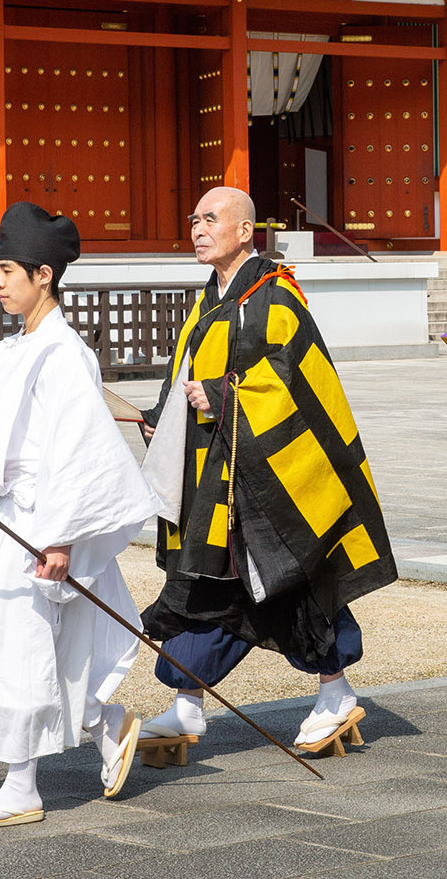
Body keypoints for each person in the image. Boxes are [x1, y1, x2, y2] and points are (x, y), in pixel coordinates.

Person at [137, 187, 396, 755]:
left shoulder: (276, 295)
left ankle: (335, 693)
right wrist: (163, 420)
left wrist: (223, 395)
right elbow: (184, 376)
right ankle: (187, 705)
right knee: (208, 584)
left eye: (211, 219)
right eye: (194, 219)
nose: (197, 228)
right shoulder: (210, 299)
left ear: (245, 231)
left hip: (267, 480)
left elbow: (296, 377)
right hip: (215, 478)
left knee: (287, 579)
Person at [0, 203, 157, 828]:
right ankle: (103, 721)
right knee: (23, 642)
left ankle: (22, 785)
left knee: (21, 645)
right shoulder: (13, 349)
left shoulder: (65, 353)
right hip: (2, 516)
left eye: (7, 270)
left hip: (39, 519)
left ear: (44, 275)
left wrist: (59, 537)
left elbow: (77, 449)